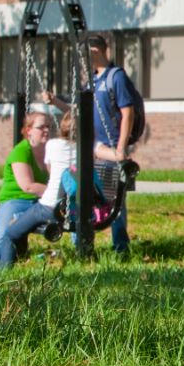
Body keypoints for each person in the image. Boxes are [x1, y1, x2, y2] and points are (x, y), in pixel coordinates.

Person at [44, 34, 137, 253]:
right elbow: (78, 112)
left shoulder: (116, 77)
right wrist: (55, 101)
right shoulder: (92, 81)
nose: (82, 62)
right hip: (91, 150)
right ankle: (83, 245)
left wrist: (121, 147)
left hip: (111, 148)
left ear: (94, 52)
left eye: (83, 56)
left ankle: (120, 248)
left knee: (114, 200)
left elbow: (128, 112)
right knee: (80, 196)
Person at [0, 111, 51, 270]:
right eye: (41, 127)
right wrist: (53, 192)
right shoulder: (21, 151)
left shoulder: (48, 151)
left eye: (48, 126)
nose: (46, 130)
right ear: (29, 130)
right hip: (15, 200)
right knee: (4, 233)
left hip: (37, 201)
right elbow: (27, 186)